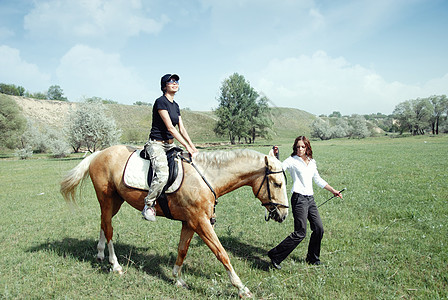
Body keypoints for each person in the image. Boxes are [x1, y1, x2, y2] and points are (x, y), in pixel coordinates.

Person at [267, 136, 342, 268]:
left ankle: (312, 258)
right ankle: (275, 255)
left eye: (302, 146)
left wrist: (333, 190)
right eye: (297, 147)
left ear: (307, 147)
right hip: (299, 199)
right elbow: (279, 168)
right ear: (294, 148)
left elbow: (318, 179)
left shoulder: (312, 162)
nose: (300, 149)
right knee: (300, 232)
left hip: (310, 199)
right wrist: (274, 158)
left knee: (319, 229)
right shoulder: (291, 161)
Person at [142, 74, 198, 221]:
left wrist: (193, 147)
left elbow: (182, 129)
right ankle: (149, 205)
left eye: (176, 81)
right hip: (156, 144)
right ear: (164, 85)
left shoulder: (176, 105)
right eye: (171, 81)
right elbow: (171, 128)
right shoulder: (161, 102)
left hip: (170, 144)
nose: (175, 83)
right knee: (162, 174)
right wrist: (186, 145)